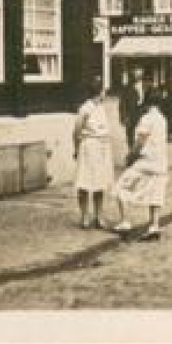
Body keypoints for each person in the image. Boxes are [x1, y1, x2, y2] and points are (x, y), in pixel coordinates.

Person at [112, 91, 169, 242]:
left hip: (146, 161)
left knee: (121, 187)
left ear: (147, 103)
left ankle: (125, 221)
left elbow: (140, 141)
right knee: (156, 193)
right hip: (160, 162)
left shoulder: (146, 119)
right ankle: (154, 225)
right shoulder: (162, 119)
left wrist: (131, 156)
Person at [71, 78, 115, 230]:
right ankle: (84, 216)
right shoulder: (85, 108)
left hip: (102, 147)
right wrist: (76, 149)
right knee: (85, 181)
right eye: (103, 91)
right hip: (89, 147)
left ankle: (99, 216)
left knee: (100, 183)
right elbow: (76, 130)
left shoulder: (102, 108)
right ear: (99, 92)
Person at [117, 71, 146, 153]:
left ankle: (142, 155)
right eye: (136, 74)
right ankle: (132, 154)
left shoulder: (147, 87)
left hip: (144, 115)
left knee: (144, 135)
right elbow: (122, 104)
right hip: (131, 116)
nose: (137, 76)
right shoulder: (127, 88)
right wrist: (123, 117)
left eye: (139, 74)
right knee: (131, 137)